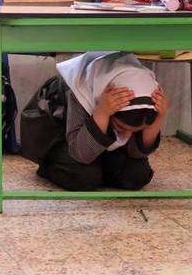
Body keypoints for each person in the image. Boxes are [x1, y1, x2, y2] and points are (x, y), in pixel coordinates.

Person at [23, 52, 167, 191]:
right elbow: (81, 153)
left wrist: (158, 119)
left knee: (137, 175)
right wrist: (102, 112)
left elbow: (136, 153)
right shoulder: (80, 88)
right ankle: (52, 166)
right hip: (66, 141)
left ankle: (101, 169)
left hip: (100, 142)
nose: (127, 136)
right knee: (83, 176)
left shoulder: (143, 96)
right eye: (121, 127)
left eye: (134, 131)